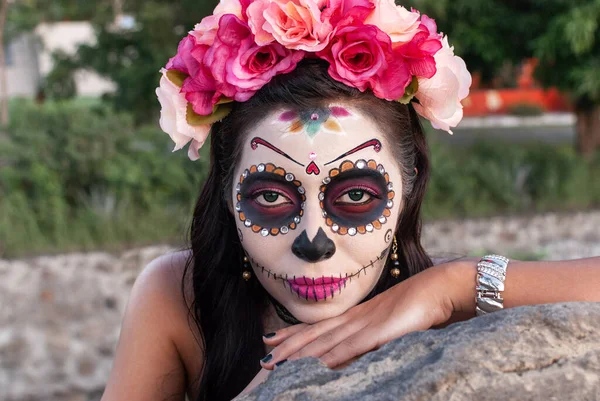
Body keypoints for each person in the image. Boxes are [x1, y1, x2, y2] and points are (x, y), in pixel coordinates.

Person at [100, 1, 600, 401]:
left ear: (408, 190)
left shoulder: (445, 301)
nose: (313, 241)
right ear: (228, 199)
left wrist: (451, 284)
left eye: (357, 194)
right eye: (271, 195)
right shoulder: (180, 297)